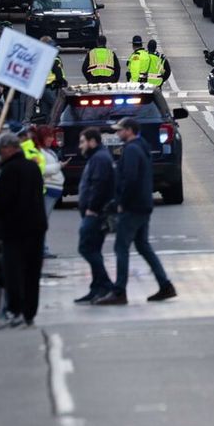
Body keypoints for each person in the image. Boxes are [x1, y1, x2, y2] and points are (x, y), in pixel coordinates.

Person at [105, 117, 176, 303]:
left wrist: (120, 202)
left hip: (133, 206)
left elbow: (129, 179)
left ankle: (119, 291)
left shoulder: (132, 150)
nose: (117, 133)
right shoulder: (141, 146)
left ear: (129, 130)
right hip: (143, 203)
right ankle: (165, 285)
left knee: (121, 246)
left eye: (119, 130)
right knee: (143, 246)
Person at [0, 133, 46, 328]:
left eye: (1, 150)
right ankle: (29, 312)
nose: (0, 154)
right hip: (36, 226)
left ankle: (16, 310)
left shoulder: (10, 170)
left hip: (14, 228)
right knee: (32, 271)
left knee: (14, 271)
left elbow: (3, 200)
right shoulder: (32, 167)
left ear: (9, 149)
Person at [73, 127, 117, 305]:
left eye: (83, 142)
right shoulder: (98, 157)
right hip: (94, 212)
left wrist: (92, 208)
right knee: (93, 249)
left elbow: (100, 184)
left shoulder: (99, 158)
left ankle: (105, 284)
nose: (80, 146)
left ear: (92, 142)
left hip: (95, 214)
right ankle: (96, 287)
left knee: (86, 248)